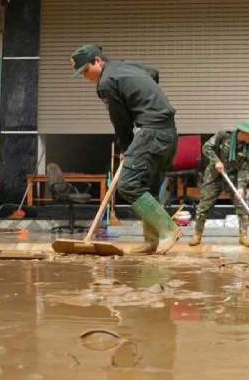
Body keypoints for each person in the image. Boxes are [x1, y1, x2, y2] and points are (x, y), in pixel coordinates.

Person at [71, 44, 181, 254]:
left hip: (152, 133)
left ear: (97, 61)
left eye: (86, 70)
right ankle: (151, 242)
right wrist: (146, 100)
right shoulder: (126, 66)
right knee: (147, 187)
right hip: (168, 133)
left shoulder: (106, 83)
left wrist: (127, 146)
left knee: (128, 185)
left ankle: (168, 229)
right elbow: (153, 73)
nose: (85, 76)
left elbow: (120, 120)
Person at [190, 120, 249, 248]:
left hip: (233, 178)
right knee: (204, 205)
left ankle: (243, 235)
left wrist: (240, 188)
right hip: (214, 176)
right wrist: (216, 161)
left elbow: (245, 169)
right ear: (244, 133)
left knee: (242, 205)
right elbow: (206, 147)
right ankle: (197, 234)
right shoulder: (223, 136)